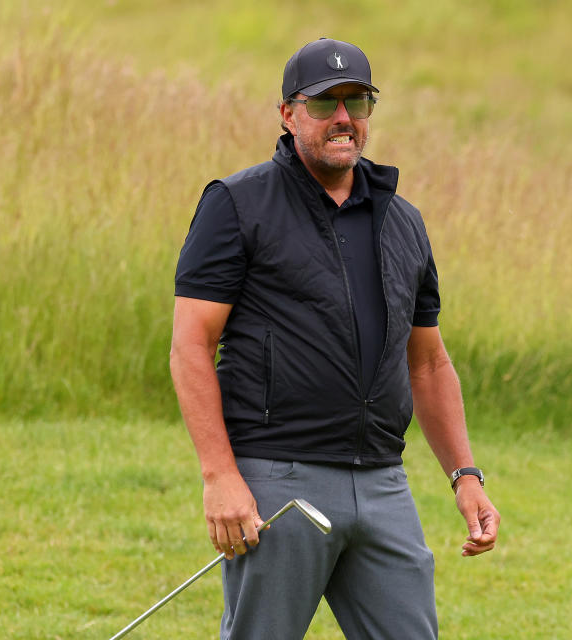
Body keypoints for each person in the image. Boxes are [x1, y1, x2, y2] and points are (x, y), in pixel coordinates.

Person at [170, 37, 500, 639]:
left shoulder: (404, 221)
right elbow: (191, 344)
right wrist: (220, 477)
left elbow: (426, 363)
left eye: (358, 100)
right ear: (288, 113)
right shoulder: (236, 205)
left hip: (382, 485)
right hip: (278, 480)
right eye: (325, 103)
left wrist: (466, 476)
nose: (343, 117)